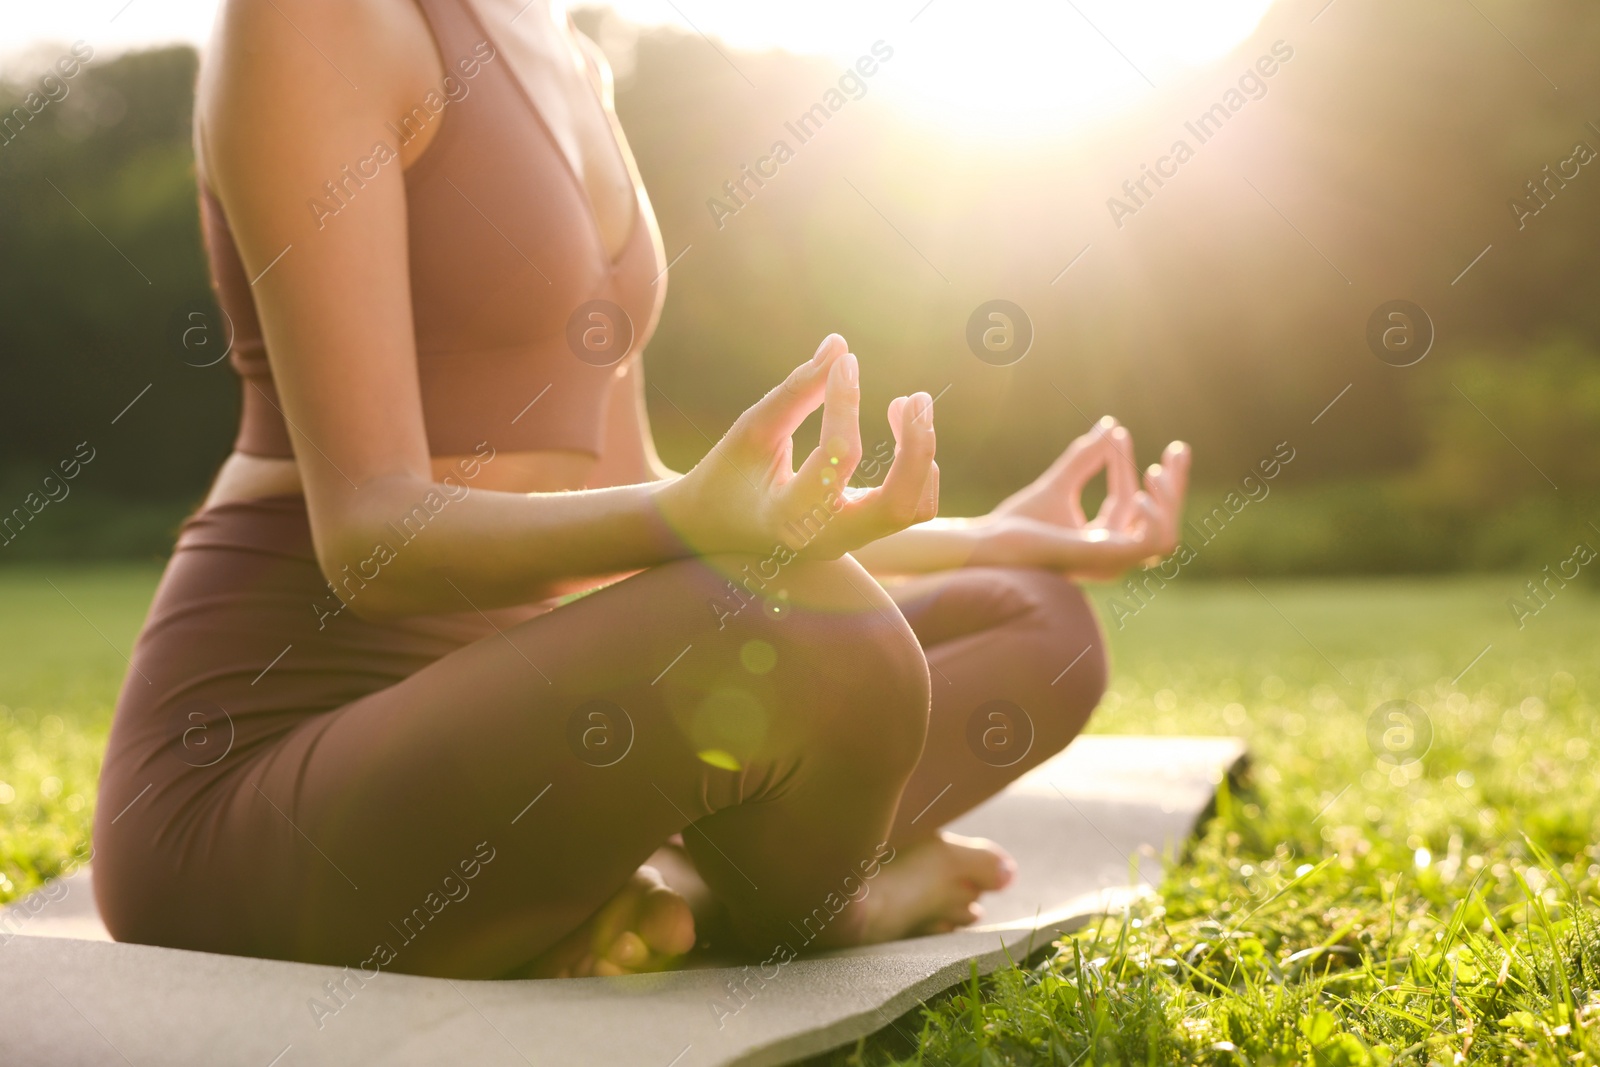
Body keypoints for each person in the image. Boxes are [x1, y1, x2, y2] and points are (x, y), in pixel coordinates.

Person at [93, 0, 1190, 980]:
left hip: (511, 725)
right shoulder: (320, 18)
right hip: (268, 778)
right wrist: (693, 524)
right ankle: (831, 905)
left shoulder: (568, 51)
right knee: (832, 641)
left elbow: (628, 498)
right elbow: (369, 536)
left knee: (1036, 619)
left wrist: (986, 535)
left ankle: (632, 894)